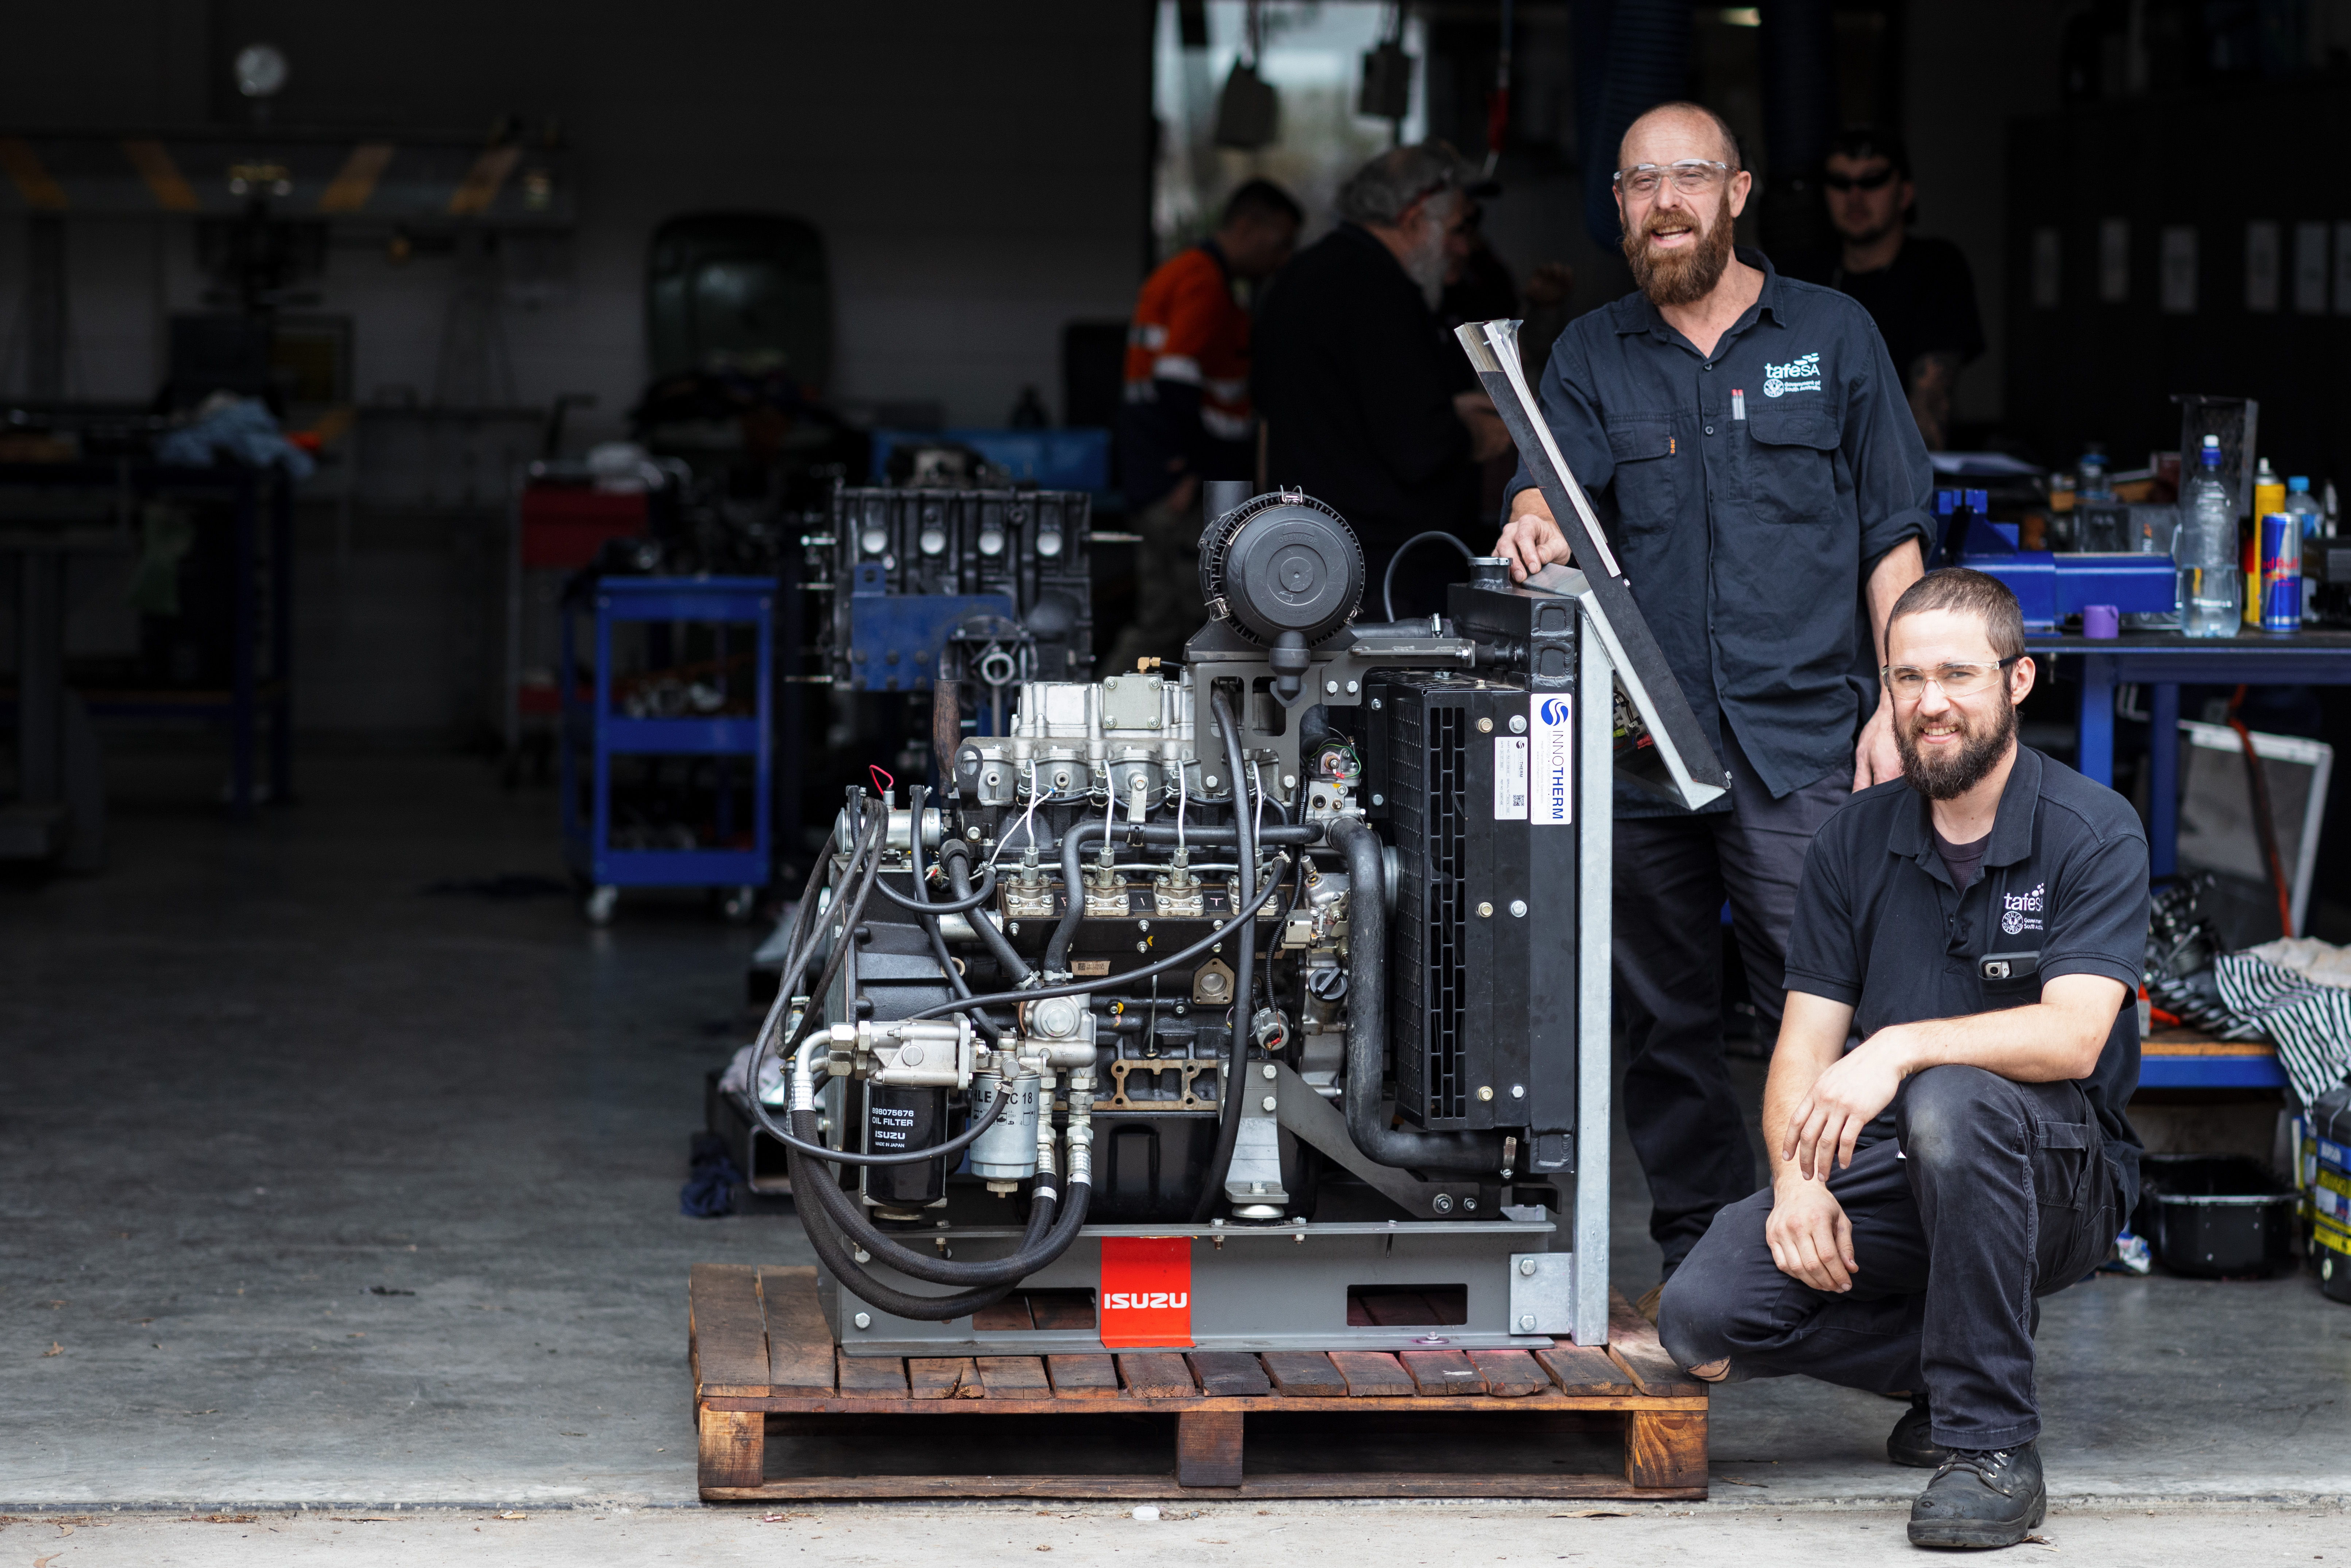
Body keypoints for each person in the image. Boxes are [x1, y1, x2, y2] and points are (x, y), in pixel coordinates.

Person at [1490, 101, 1931, 1305]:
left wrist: (1897, 700)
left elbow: (1892, 536)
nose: (1666, 201)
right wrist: (1529, 516)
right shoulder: (1588, 354)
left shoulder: (1834, 337)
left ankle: (1868, 1253)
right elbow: (1549, 498)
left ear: (1737, 191)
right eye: (1641, 182)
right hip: (1641, 746)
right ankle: (1707, 1258)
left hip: (1801, 742)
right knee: (1662, 1020)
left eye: (1690, 176)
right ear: (1619, 205)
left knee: (1825, 1001)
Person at [1657, 568, 2148, 1549]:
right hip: (1893, 1166)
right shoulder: (1851, 839)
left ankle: (1990, 1446)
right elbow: (1798, 1045)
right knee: (1701, 1316)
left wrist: (1899, 1047)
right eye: (1905, 677)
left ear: (2017, 681)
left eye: (1957, 676)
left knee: (1950, 1102)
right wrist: (1798, 1185)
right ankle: (1961, 1349)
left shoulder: (2092, 829)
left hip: (2060, 1177)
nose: (1929, 703)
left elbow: (2073, 1035)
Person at [1252, 142, 1513, 610]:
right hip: (1383, 571)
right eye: (1458, 230)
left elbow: (1328, 409)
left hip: (1304, 557)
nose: (1464, 248)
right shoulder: (1382, 291)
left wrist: (1448, 409)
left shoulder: (1299, 275)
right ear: (1415, 219)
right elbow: (1418, 446)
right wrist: (1474, 432)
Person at [1109, 178, 1302, 671]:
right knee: (1179, 618)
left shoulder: (1192, 278)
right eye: (1279, 243)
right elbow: (1176, 378)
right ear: (1246, 227)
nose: (1282, 259)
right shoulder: (1202, 282)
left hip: (1160, 471)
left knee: (1177, 615)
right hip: (1172, 481)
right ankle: (1097, 713)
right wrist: (1190, 473)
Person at [1786, 126, 1985, 452]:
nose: (1854, 197)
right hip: (1812, 474)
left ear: (1905, 193)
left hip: (1900, 478)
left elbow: (1930, 408)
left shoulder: (1937, 267)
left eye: (1872, 181)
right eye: (1840, 183)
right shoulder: (1802, 275)